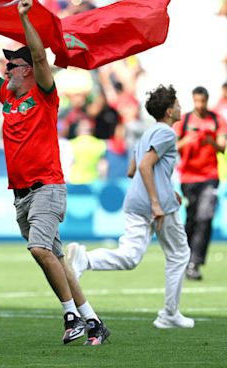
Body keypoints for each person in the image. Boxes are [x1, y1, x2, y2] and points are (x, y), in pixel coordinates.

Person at [0, 0, 109, 346]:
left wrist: (24, 20)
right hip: (21, 194)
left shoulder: (46, 94)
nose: (6, 70)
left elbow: (37, 55)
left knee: (39, 249)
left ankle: (69, 316)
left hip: (47, 185)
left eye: (12, 66)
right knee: (58, 260)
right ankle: (93, 321)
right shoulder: (7, 96)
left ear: (30, 71)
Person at [66, 84, 195, 329]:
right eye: (177, 104)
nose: (180, 108)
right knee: (179, 255)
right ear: (169, 111)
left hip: (136, 200)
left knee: (130, 256)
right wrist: (157, 202)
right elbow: (145, 166)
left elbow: (131, 170)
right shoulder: (166, 133)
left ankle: (85, 259)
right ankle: (169, 314)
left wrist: (169, 190)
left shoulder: (146, 132)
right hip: (156, 204)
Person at [174, 86, 227, 280]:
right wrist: (187, 140)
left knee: (206, 216)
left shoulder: (216, 120)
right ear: (193, 100)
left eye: (203, 101)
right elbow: (172, 146)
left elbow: (222, 147)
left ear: (207, 100)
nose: (200, 105)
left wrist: (210, 141)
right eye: (197, 101)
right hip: (188, 176)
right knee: (192, 218)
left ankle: (195, 262)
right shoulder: (185, 120)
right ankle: (185, 259)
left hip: (210, 176)